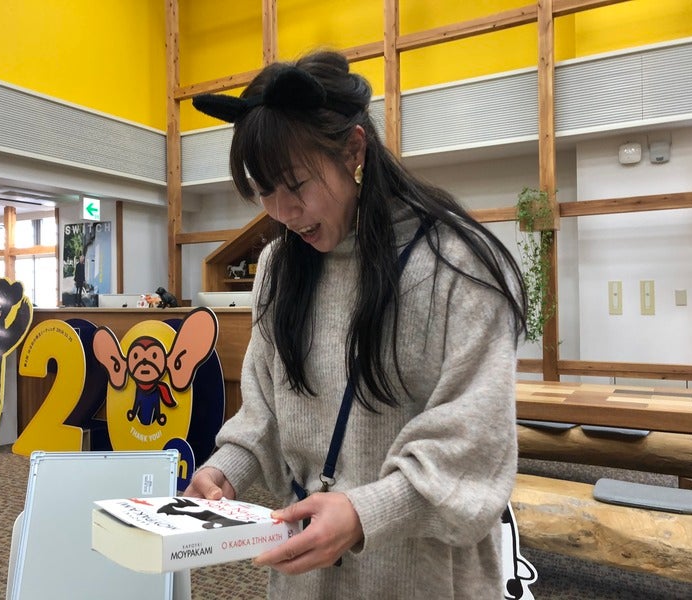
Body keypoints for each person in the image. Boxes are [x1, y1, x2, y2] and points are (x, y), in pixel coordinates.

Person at [187, 50, 527, 599]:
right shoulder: (279, 267)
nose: (281, 212)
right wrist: (228, 468)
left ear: (354, 151)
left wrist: (366, 511)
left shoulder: (457, 266)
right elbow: (266, 408)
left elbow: (475, 441)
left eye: (295, 185)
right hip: (306, 573)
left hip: (423, 574)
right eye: (264, 190)